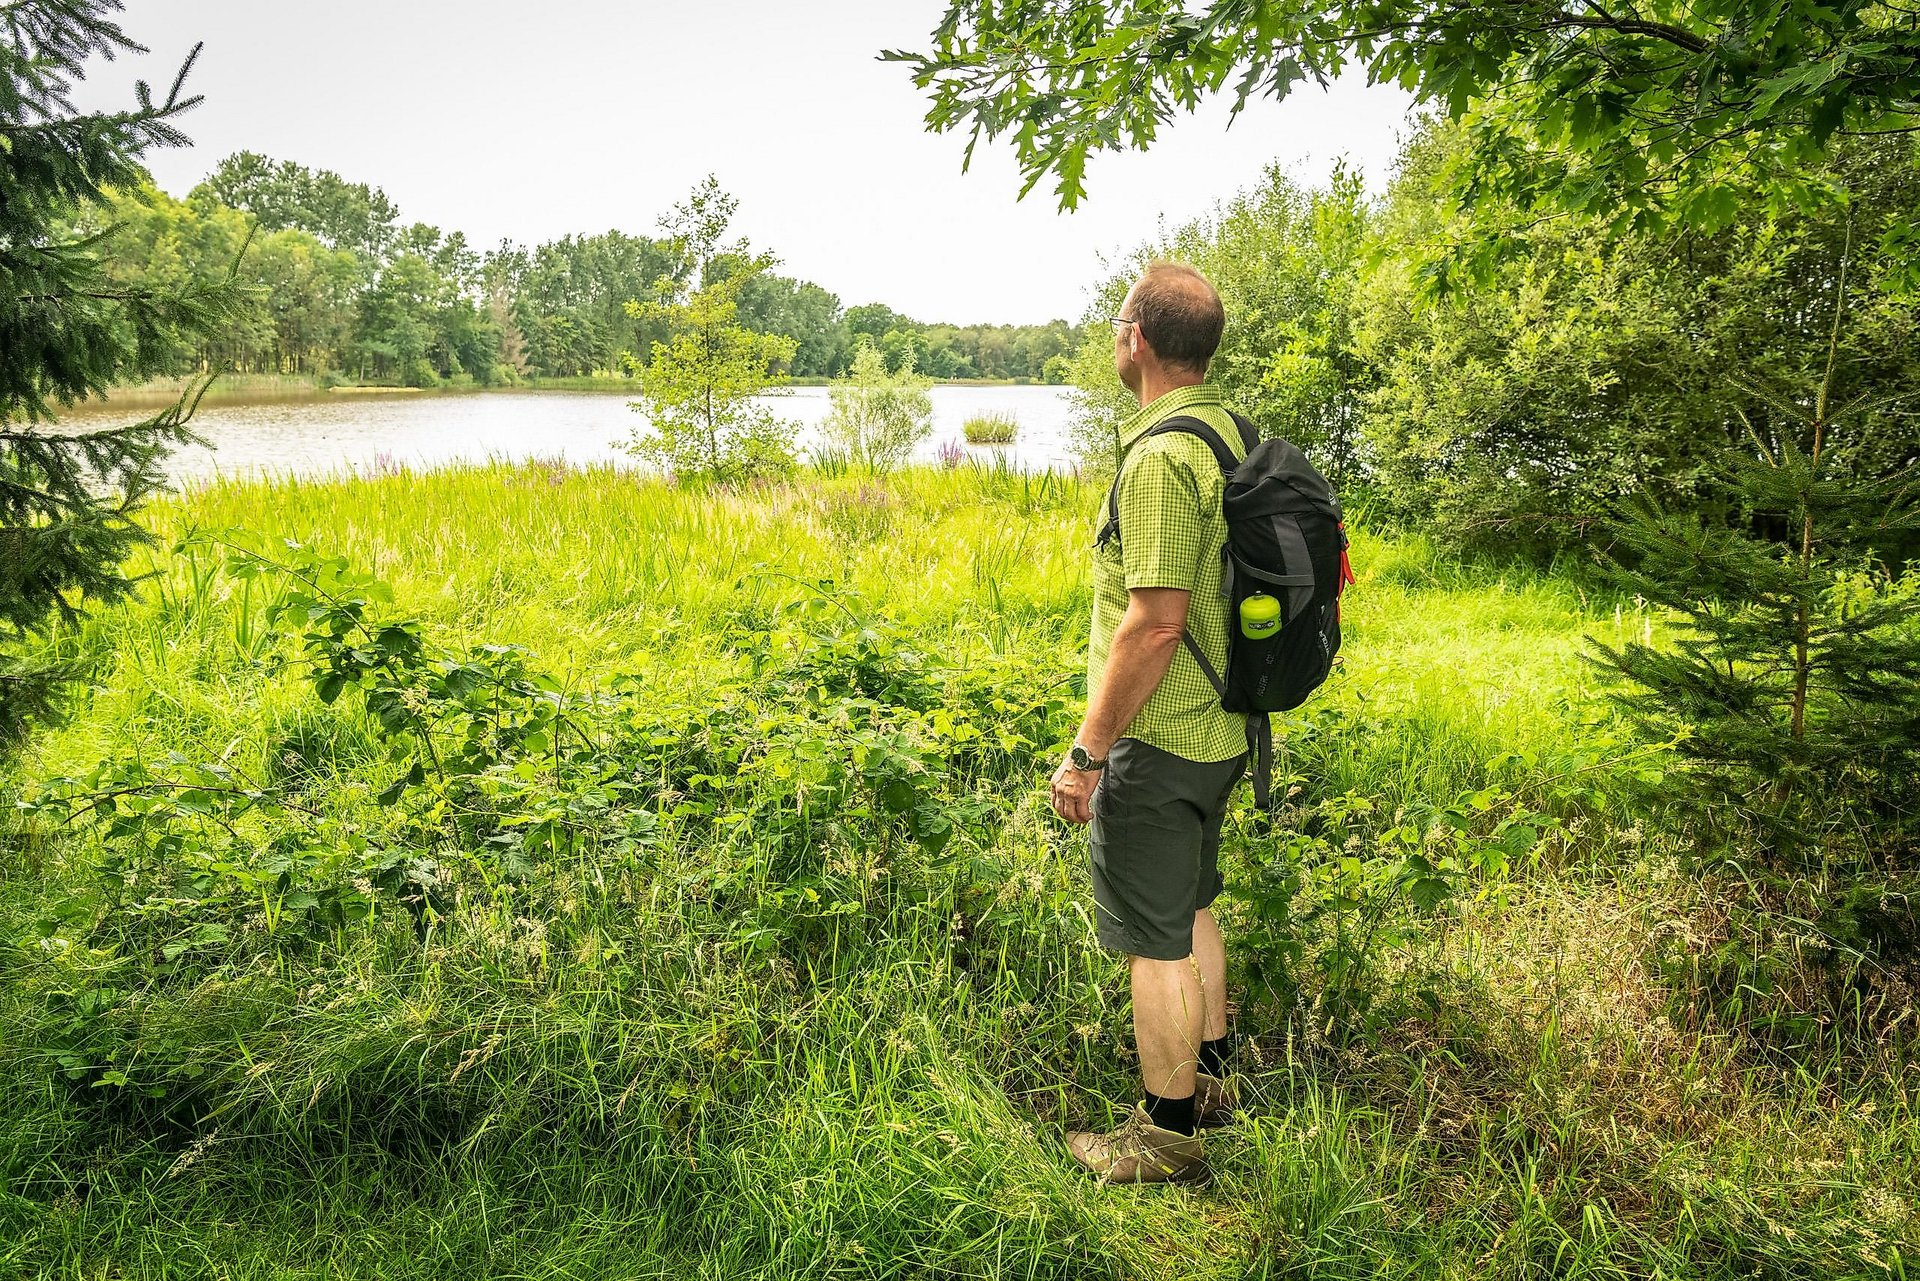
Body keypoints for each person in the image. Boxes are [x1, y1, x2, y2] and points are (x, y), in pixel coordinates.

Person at [1049, 261, 1248, 1187]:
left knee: (1152, 938)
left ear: (1137, 338)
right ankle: (1208, 1081)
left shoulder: (1164, 457)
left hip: (1164, 738)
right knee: (1192, 905)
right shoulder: (1226, 435)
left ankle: (1165, 1136)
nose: (1112, 331)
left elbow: (1156, 621)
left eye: (1117, 317)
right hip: (1223, 729)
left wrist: (1089, 754)